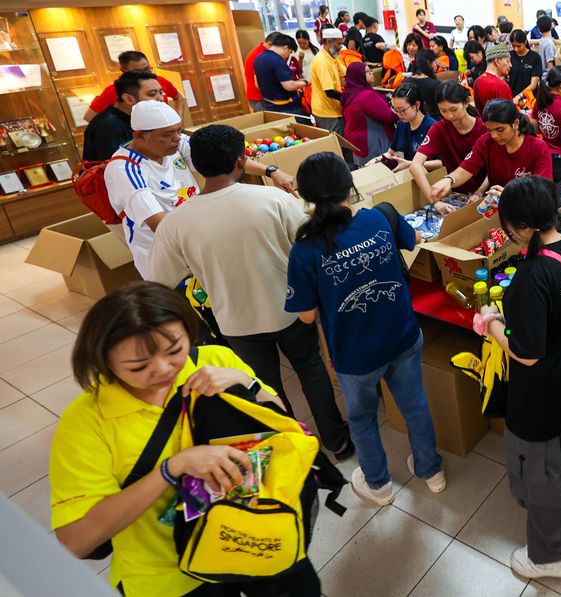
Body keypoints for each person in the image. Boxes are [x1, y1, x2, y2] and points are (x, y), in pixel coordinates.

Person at [50, 282, 324, 596]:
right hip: (172, 577)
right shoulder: (87, 422)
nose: (164, 369)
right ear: (103, 360)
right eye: (139, 366)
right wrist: (172, 468)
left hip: (252, 532)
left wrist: (245, 382)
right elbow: (76, 539)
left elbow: (283, 424)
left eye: (174, 350)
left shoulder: (215, 360)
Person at [148, 125, 352, 460]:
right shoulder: (274, 199)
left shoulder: (177, 222)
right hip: (291, 310)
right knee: (311, 369)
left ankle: (292, 448)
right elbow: (308, 250)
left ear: (196, 167)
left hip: (235, 321)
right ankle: (337, 440)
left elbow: (159, 280)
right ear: (242, 161)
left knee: (264, 385)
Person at [286, 153, 446, 506]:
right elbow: (414, 238)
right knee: (415, 404)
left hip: (354, 353)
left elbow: (307, 317)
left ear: (308, 196)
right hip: (402, 335)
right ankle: (431, 472)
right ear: (349, 185)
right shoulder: (379, 216)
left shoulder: (306, 248)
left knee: (361, 418)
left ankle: (379, 485)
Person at [472, 177, 561, 579]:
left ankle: (553, 555)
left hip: (540, 391)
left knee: (539, 472)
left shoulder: (531, 276)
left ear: (521, 227)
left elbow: (524, 352)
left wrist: (491, 324)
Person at [104, 101, 200, 279]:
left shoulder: (176, 143)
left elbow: (222, 161)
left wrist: (268, 171)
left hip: (195, 242)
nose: (177, 138)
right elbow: (159, 225)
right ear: (140, 136)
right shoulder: (125, 168)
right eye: (168, 134)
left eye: (179, 130)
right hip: (164, 257)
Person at [428, 99, 552, 202]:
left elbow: (542, 191)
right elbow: (466, 169)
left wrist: (511, 196)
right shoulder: (486, 142)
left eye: (500, 130)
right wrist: (448, 180)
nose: (494, 135)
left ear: (515, 124)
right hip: (498, 208)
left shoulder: (538, 148)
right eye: (489, 130)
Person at [410, 80, 485, 198]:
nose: (449, 115)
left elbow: (495, 167)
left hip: (485, 194)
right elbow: (415, 165)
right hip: (456, 194)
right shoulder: (439, 129)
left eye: (453, 109)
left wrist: (480, 192)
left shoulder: (484, 128)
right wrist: (433, 200)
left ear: (466, 103)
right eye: (443, 111)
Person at [83, 71, 164, 162]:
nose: (160, 99)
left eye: (161, 93)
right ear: (129, 99)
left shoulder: (141, 118)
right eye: (152, 94)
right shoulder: (108, 124)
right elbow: (116, 165)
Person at [84, 50, 180, 123]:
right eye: (138, 71)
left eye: (147, 69)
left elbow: (178, 98)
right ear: (124, 70)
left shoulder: (159, 80)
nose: (145, 74)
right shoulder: (113, 90)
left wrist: (178, 120)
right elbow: (89, 116)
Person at [340, 61, 396, 167]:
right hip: (371, 140)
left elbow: (374, 103)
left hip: (357, 141)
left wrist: (386, 97)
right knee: (381, 171)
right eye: (367, 71)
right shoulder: (366, 95)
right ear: (359, 75)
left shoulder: (350, 91)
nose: (371, 72)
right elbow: (389, 116)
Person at [378, 81, 435, 170]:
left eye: (402, 110)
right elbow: (391, 152)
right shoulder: (401, 124)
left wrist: (410, 164)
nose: (399, 114)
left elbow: (441, 162)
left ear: (417, 105)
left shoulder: (431, 127)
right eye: (395, 110)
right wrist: (378, 159)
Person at [253, 32, 308, 119]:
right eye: (289, 52)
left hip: (269, 106)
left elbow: (257, 85)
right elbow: (288, 86)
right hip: (286, 107)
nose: (288, 56)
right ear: (285, 48)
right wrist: (306, 82)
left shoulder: (258, 58)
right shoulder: (277, 60)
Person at [308, 27, 347, 135]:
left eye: (341, 43)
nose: (341, 47)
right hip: (327, 112)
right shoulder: (322, 62)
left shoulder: (333, 58)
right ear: (328, 42)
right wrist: (349, 97)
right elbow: (329, 91)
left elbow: (348, 75)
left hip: (335, 108)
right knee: (337, 143)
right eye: (338, 44)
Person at [504, 29, 542, 97]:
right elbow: (503, 77)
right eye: (513, 46)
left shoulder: (535, 57)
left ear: (525, 42)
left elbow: (533, 84)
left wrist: (519, 96)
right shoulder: (509, 56)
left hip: (530, 97)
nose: (516, 49)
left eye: (519, 46)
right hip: (512, 96)